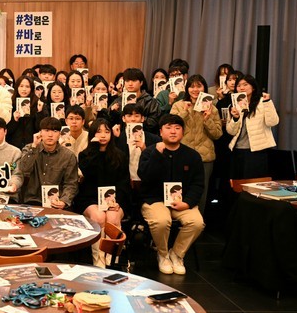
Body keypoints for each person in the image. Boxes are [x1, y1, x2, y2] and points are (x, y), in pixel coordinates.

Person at [138, 114, 205, 275]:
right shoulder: (150, 152)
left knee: (196, 222)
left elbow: (198, 184)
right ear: (161, 132)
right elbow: (145, 177)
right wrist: (157, 155)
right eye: (168, 128)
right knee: (162, 221)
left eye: (177, 128)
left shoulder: (192, 155)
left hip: (182, 202)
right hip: (155, 200)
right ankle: (162, 255)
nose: (173, 131)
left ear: (183, 132)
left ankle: (176, 254)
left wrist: (187, 203)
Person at [73, 119, 130, 267]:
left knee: (112, 217)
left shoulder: (120, 155)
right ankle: (98, 259)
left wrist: (117, 202)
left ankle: (112, 259)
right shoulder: (85, 155)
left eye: (106, 131)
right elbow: (88, 173)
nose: (103, 135)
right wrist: (94, 148)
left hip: (115, 199)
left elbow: (124, 182)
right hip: (90, 198)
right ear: (92, 134)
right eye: (98, 132)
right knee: (99, 217)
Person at [170, 75, 223, 214]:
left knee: (201, 193)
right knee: (180, 191)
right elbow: (171, 128)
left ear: (204, 88)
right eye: (192, 86)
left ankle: (198, 223)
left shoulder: (212, 108)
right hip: (182, 155)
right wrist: (185, 112)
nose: (195, 89)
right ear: (187, 89)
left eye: (199, 86)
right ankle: (180, 222)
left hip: (204, 157)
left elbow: (217, 134)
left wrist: (207, 119)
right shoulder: (178, 105)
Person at [16, 117, 79, 208]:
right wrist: (34, 146)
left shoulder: (68, 156)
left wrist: (64, 201)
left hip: (57, 201)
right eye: (46, 130)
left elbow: (71, 183)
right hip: (32, 200)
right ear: (40, 133)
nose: (50, 135)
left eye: (54, 131)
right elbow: (24, 169)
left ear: (59, 134)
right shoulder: (30, 148)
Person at [226, 74, 279, 179]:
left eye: (245, 84)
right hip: (238, 150)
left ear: (253, 87)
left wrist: (267, 102)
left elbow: (273, 122)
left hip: (257, 151)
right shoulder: (234, 105)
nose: (242, 88)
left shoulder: (262, 102)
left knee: (254, 183)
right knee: (237, 184)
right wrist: (235, 118)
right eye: (239, 85)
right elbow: (231, 131)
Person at [6, 76, 41, 149]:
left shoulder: (38, 104)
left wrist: (39, 112)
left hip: (32, 144)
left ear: (31, 89)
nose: (24, 89)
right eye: (21, 86)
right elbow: (6, 131)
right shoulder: (10, 104)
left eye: (27, 87)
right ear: (17, 87)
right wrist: (14, 120)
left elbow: (39, 128)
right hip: (13, 145)